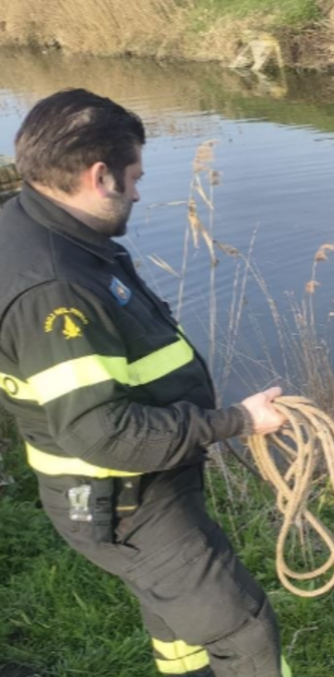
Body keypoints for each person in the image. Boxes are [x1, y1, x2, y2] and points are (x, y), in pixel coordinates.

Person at [0, 89, 291, 677]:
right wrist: (237, 421)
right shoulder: (56, 289)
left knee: (177, 615)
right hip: (125, 497)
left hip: (130, 489)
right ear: (99, 175)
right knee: (244, 632)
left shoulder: (35, 223)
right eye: (133, 177)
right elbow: (101, 434)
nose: (137, 191)